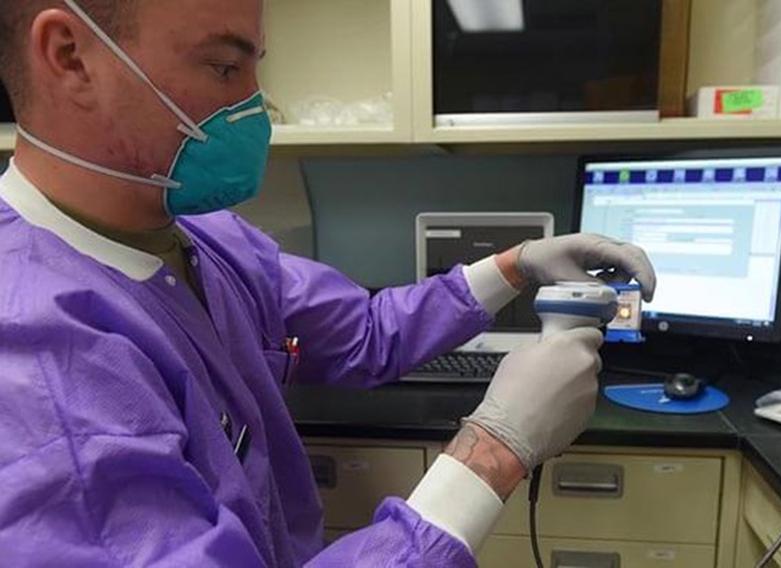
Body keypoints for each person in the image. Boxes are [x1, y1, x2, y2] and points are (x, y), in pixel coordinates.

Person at [0, 1, 656, 566]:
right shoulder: (36, 361)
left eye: (258, 65)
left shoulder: (206, 236)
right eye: (225, 67)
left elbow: (364, 332)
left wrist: (516, 264)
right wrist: (492, 451)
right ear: (71, 56)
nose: (260, 107)